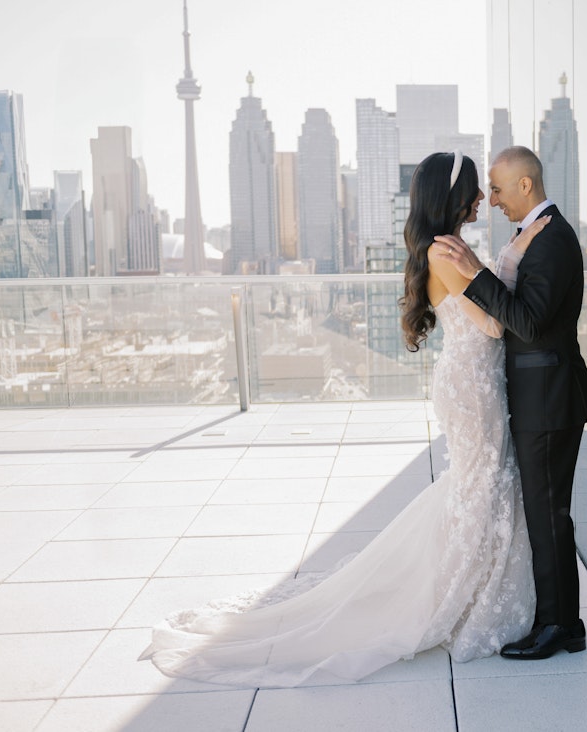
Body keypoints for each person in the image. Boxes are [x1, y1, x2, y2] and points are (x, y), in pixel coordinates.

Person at [139, 151, 550, 686]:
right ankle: (456, 600)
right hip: (472, 387)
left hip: (470, 381)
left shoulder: (447, 249)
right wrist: (491, 270)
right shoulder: (448, 254)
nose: (480, 198)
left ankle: (464, 590)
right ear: (452, 197)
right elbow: (494, 329)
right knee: (480, 488)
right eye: (474, 190)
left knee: (477, 489)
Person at [434, 145, 587, 660]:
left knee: (550, 514)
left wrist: (478, 275)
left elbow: (527, 322)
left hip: (548, 400)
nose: (494, 199)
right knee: (545, 513)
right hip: (534, 397)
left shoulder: (553, 240)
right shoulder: (538, 233)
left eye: (500, 189)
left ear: (525, 186)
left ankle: (559, 625)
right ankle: (559, 620)